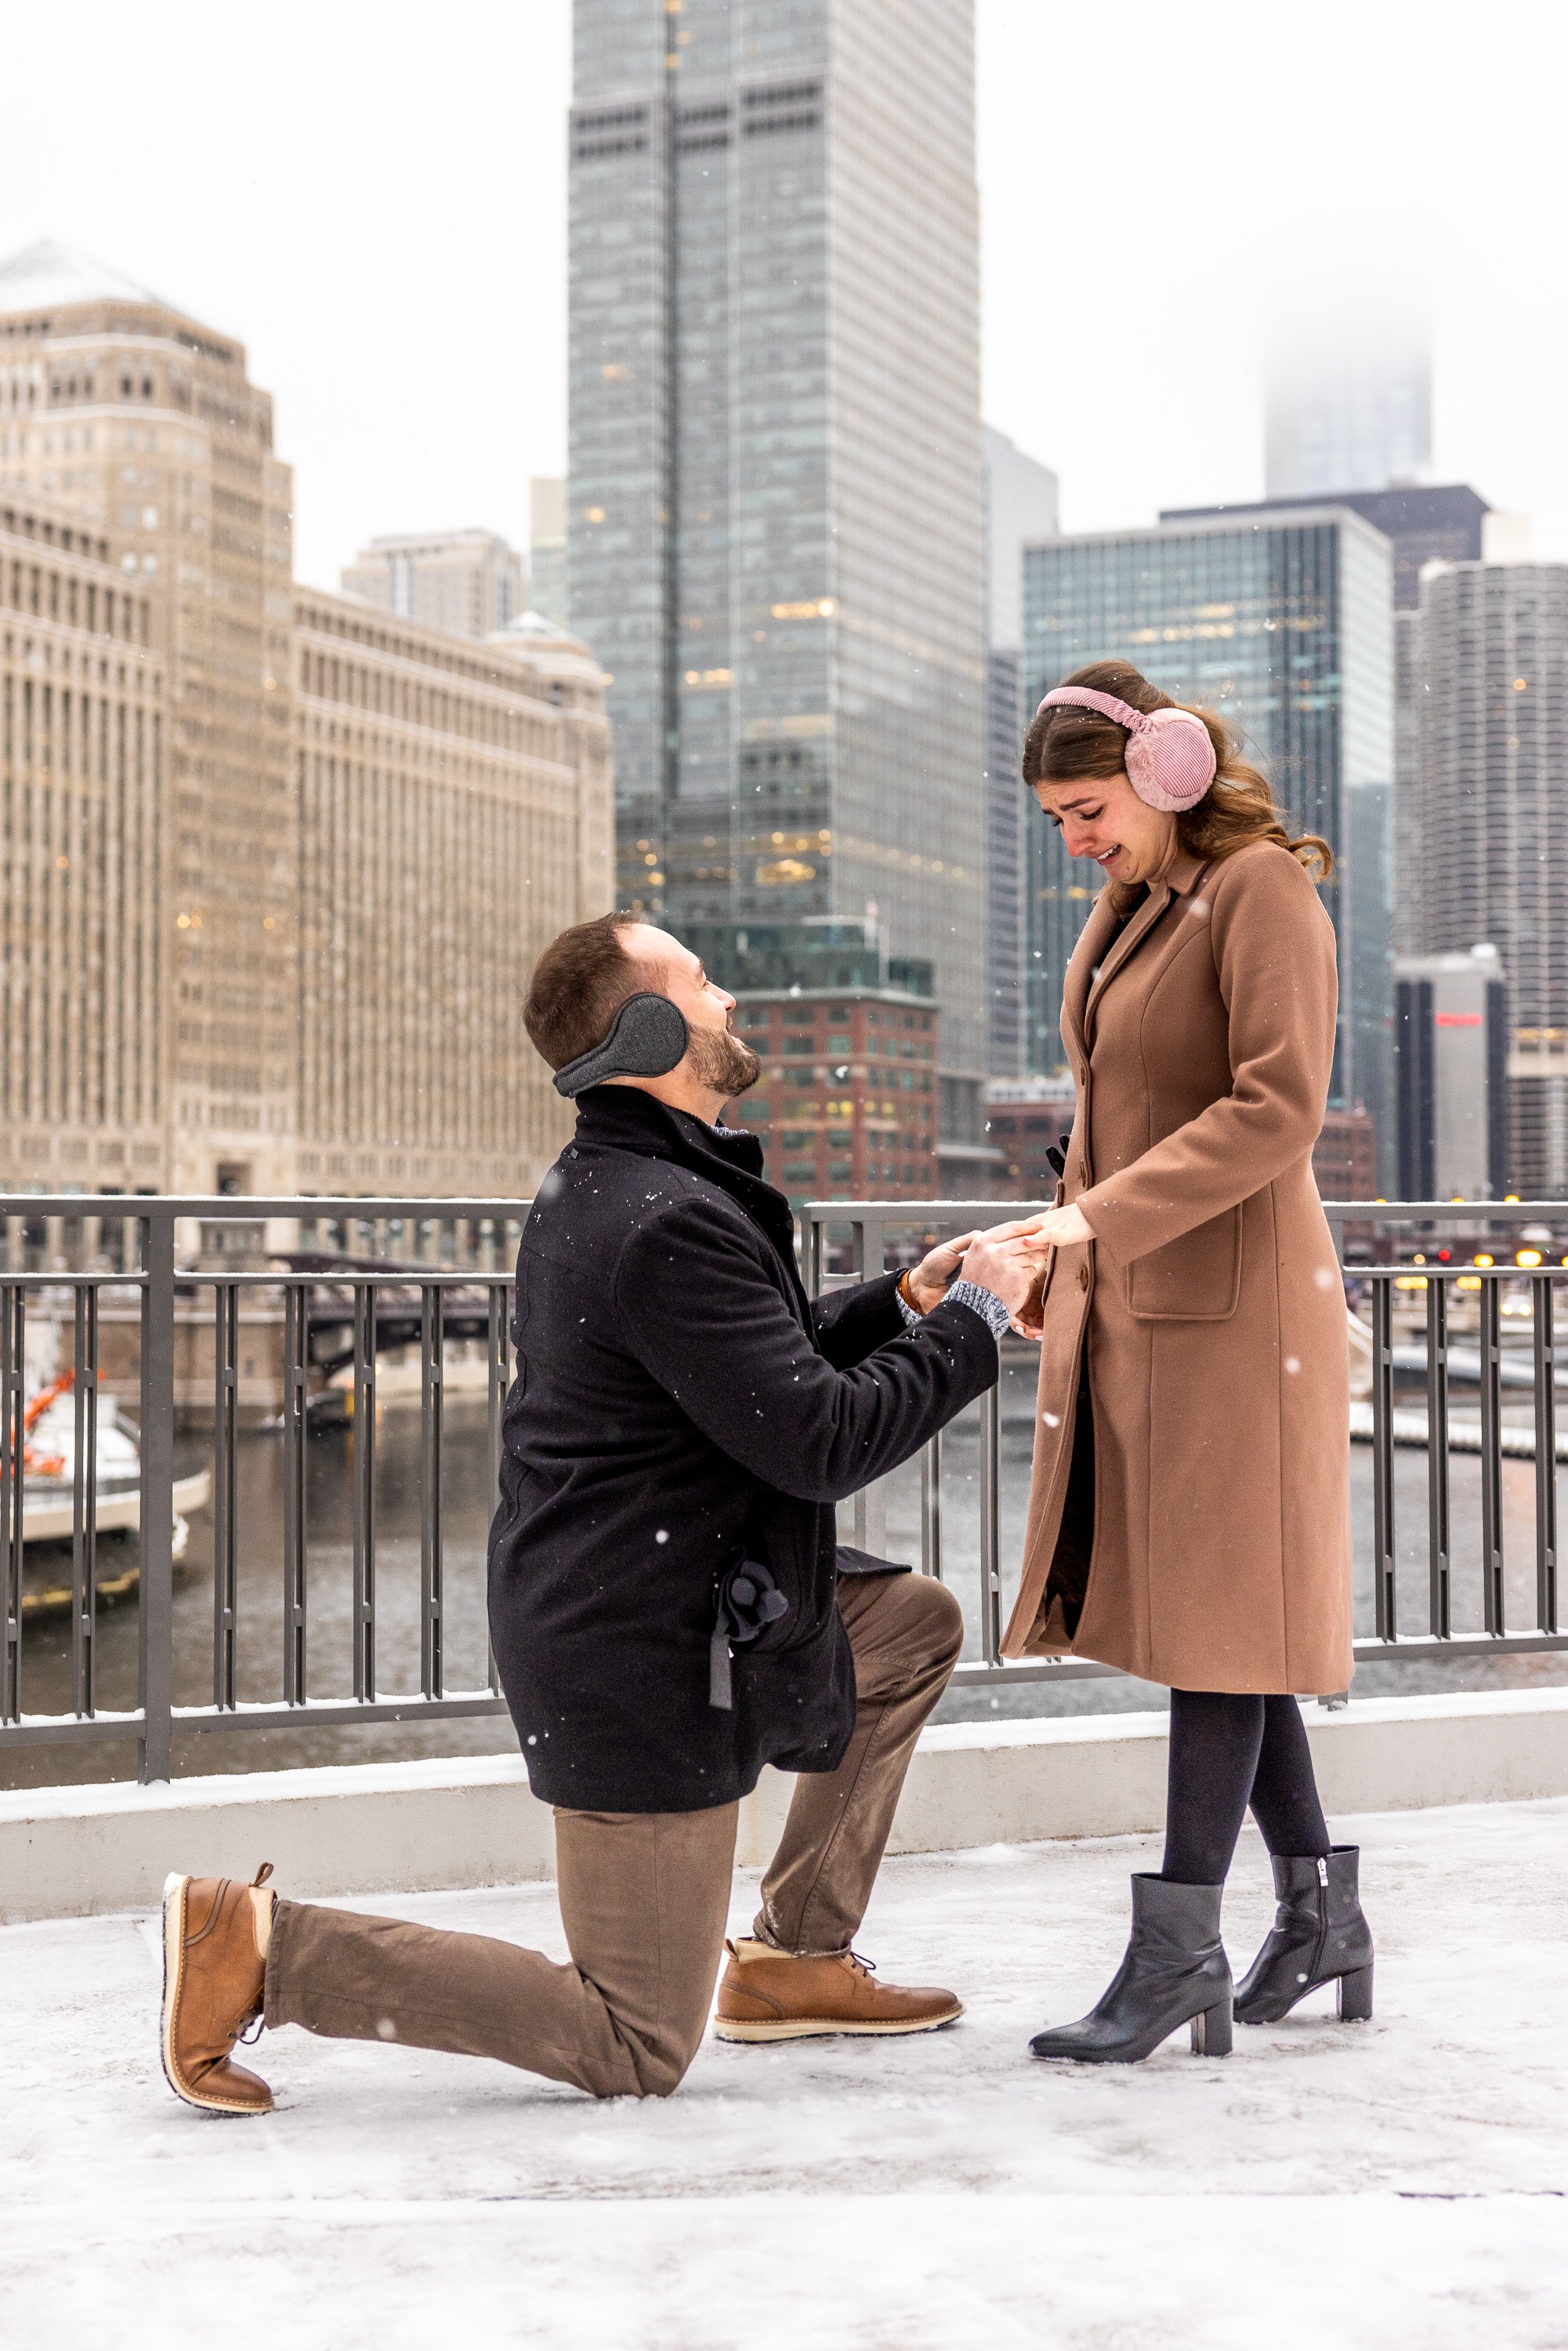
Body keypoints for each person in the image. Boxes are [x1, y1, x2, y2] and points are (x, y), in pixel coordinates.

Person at [160, 913, 1050, 2114]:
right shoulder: (664, 1214)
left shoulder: (640, 1187)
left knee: (909, 1623)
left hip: (684, 1598)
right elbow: (819, 1440)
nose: (728, 995)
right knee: (632, 2040)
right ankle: (263, 1946)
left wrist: (903, 1301)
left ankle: (792, 1958)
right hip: (636, 1653)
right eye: (698, 982)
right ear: (643, 1030)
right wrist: (975, 1324)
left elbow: (758, 1370)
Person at [1007, 660, 1374, 2065]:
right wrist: (1067, 1248)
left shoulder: (1261, 891)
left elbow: (1278, 1106)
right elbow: (1116, 1106)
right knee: (1225, 1626)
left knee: (1217, 1628)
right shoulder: (1135, 904)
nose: (1074, 841)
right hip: (1148, 1300)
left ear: (1165, 773)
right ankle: (1320, 1919)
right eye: (1055, 820)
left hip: (1235, 1319)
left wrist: (1092, 1220)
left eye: (1086, 810)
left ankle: (1175, 1959)